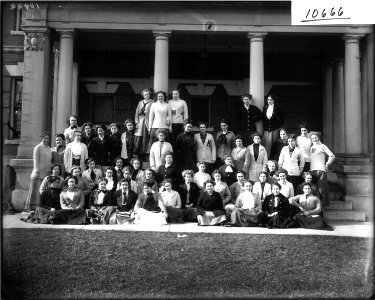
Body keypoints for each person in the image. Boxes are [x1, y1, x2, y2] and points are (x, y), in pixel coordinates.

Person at [25, 132, 52, 211]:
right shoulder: (38, 147)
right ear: (41, 139)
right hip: (38, 172)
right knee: (36, 190)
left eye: (47, 138)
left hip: (46, 172)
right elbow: (35, 160)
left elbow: (49, 161)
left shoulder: (48, 148)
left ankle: (41, 206)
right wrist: (36, 170)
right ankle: (32, 207)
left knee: (43, 191)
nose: (46, 140)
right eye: (44, 138)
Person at [309, 131, 335, 207]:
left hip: (321, 170)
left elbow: (332, 156)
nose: (314, 139)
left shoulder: (323, 146)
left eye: (315, 137)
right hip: (312, 170)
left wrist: (327, 165)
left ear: (318, 138)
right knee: (313, 189)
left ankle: (322, 207)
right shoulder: (311, 147)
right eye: (312, 138)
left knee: (321, 190)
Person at [134, 88, 154, 157]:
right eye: (145, 94)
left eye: (148, 94)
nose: (147, 96)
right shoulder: (140, 102)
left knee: (146, 136)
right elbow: (137, 112)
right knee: (139, 136)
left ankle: (145, 152)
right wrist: (136, 121)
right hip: (140, 121)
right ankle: (138, 152)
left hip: (147, 121)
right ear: (143, 95)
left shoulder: (152, 102)